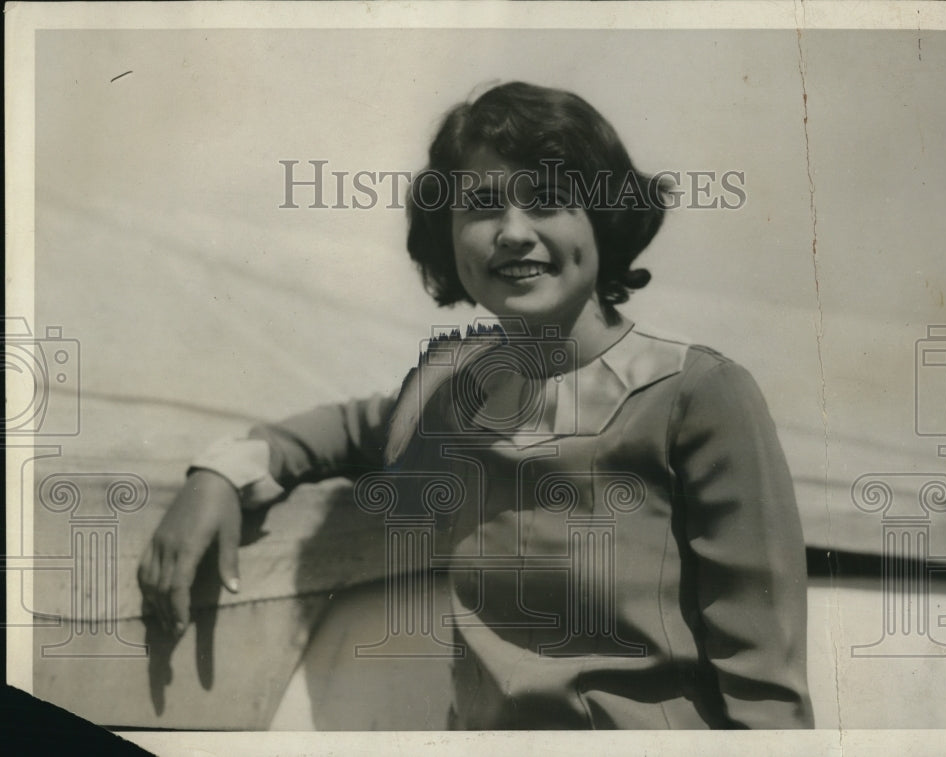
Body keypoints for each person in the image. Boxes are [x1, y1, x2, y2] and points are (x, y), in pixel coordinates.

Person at [138, 81, 814, 729]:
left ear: (602, 221)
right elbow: (345, 431)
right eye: (483, 207)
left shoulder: (696, 395)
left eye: (547, 200)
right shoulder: (451, 393)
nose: (513, 232)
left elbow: (767, 696)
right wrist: (219, 475)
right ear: (449, 238)